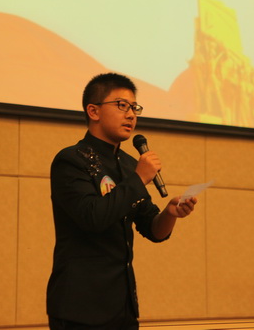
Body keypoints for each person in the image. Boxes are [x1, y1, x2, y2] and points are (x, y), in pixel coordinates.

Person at [46, 72, 198, 329]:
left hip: (122, 306)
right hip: (79, 307)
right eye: (121, 105)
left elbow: (153, 229)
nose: (131, 115)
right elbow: (93, 217)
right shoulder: (71, 161)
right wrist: (139, 179)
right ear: (93, 111)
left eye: (134, 108)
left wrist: (170, 214)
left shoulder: (129, 165)